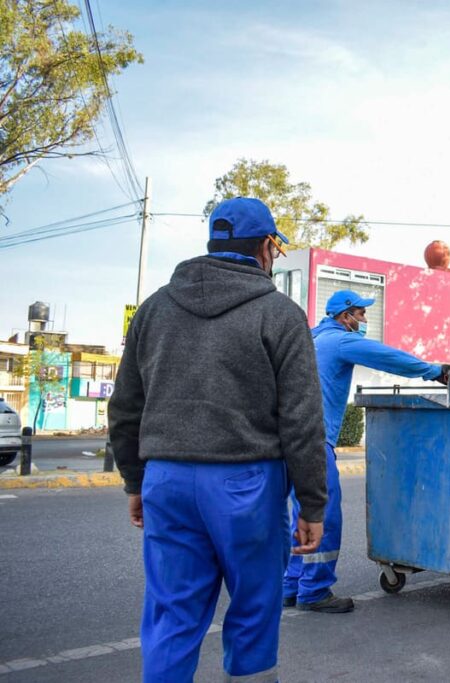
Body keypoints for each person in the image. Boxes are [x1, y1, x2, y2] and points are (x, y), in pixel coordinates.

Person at [109, 197, 329, 682]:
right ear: (267, 247)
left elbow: (125, 406)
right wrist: (312, 505)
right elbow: (301, 420)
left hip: (165, 479)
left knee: (172, 614)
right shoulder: (280, 313)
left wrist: (134, 480)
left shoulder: (154, 309)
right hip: (245, 484)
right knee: (253, 610)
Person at [283, 289, 450, 612]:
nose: (364, 320)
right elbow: (386, 356)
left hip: (288, 438)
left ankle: (291, 585)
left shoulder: (311, 337)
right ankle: (314, 591)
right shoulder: (340, 340)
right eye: (361, 314)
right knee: (324, 513)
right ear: (345, 316)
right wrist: (435, 371)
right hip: (312, 439)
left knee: (303, 514)